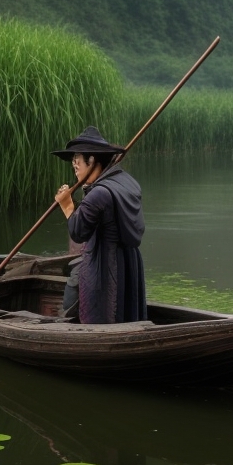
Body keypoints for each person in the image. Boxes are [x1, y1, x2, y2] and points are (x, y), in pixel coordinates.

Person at [53, 126, 147, 324]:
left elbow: (78, 231)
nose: (74, 165)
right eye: (73, 161)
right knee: (122, 313)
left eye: (77, 160)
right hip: (128, 260)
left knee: (102, 312)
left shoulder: (99, 193)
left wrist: (67, 205)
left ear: (92, 160)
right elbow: (96, 217)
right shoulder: (125, 181)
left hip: (106, 264)